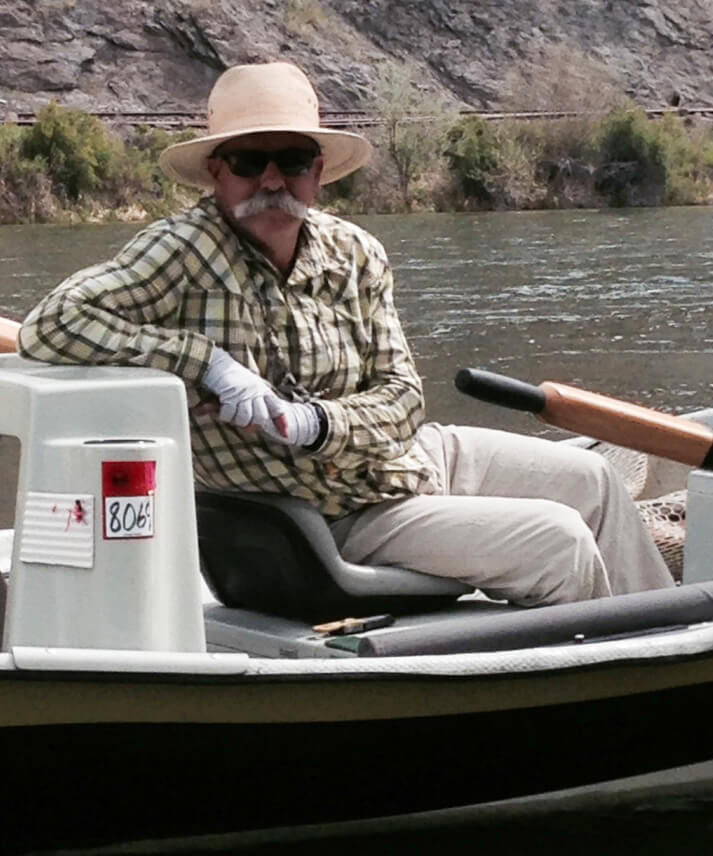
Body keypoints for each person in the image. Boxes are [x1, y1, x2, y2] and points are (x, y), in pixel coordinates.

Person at [18, 61, 674, 606]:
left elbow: (401, 397)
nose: (272, 180)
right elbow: (53, 324)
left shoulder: (354, 251)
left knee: (595, 480)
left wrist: (312, 423)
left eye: (293, 160)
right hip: (336, 511)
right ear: (217, 171)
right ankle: (597, 704)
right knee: (555, 539)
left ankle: (667, 654)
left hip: (412, 457)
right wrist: (206, 363)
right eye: (249, 160)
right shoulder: (179, 252)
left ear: (319, 171)